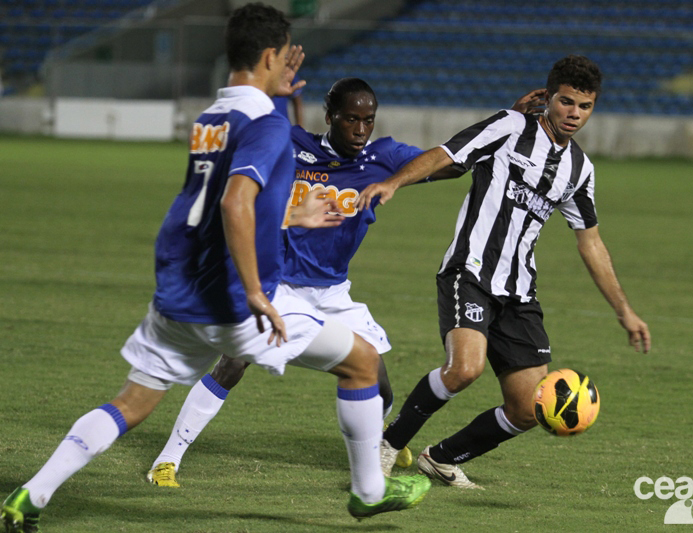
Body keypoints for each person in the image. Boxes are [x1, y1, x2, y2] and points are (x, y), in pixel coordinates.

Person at [0, 5, 431, 531]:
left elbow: (214, 199)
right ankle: (368, 491)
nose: (287, 65)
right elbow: (234, 202)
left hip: (178, 290)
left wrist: (291, 212)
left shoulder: (212, 118)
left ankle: (32, 493)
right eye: (283, 56)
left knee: (131, 403)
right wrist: (255, 291)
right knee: (362, 363)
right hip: (231, 297)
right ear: (271, 56)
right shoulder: (266, 125)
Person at [144, 78, 549, 488]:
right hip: (278, 284)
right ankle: (167, 460)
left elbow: (450, 163)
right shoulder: (292, 145)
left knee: (379, 380)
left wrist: (509, 121)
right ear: (330, 117)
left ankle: (380, 442)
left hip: (334, 292)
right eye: (350, 119)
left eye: (367, 120)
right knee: (233, 362)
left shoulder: (383, 156)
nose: (360, 129)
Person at [356, 55, 652, 489]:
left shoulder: (580, 170)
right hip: (470, 271)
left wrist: (624, 311)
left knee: (529, 407)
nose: (574, 113)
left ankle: (441, 459)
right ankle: (388, 444)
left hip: (519, 291)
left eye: (584, 106)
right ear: (549, 97)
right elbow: (447, 154)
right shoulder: (510, 127)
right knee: (465, 369)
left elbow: (590, 242)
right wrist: (394, 182)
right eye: (566, 102)